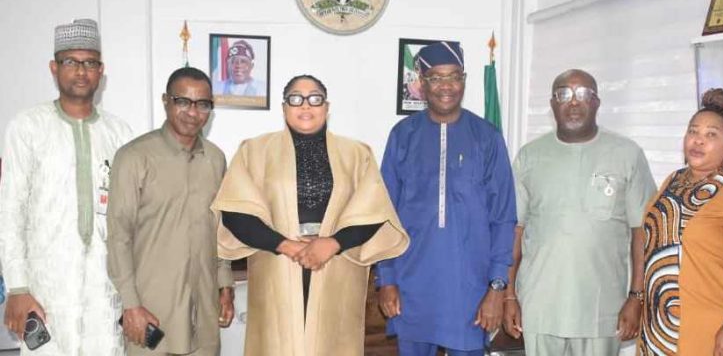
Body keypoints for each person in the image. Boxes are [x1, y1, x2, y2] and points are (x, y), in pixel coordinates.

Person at [211, 74, 409, 356]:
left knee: (333, 343)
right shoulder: (254, 151)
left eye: (314, 98)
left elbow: (373, 212)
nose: (306, 105)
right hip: (276, 263)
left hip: (337, 264)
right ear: (284, 107)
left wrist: (332, 243)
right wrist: (287, 245)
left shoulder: (356, 154)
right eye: (296, 98)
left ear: (326, 107)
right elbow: (235, 213)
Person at [0, 18, 133, 355]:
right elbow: (10, 209)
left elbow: (128, 216)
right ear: (54, 67)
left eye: (89, 62)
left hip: (104, 291)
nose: (80, 71)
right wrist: (17, 287)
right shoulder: (28, 126)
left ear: (101, 70)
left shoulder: (119, 133)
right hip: (44, 288)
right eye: (71, 62)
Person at [376, 41, 516, 356]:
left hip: (470, 290)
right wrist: (386, 279)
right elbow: (384, 215)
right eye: (436, 78)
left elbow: (504, 218)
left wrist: (496, 288)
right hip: (412, 287)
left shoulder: (487, 137)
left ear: (464, 80)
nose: (446, 86)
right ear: (422, 83)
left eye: (453, 76)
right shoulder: (403, 136)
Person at [505, 69, 656, 356]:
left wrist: (636, 297)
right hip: (540, 306)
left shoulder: (627, 154)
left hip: (602, 309)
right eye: (563, 94)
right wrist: (510, 295)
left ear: (597, 102)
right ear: (552, 104)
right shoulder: (530, 156)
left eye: (583, 94)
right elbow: (515, 230)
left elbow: (642, 232)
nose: (573, 102)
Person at [107, 67, 234, 355]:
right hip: (151, 309)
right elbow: (118, 236)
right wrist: (131, 304)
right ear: (166, 101)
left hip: (204, 305)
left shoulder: (215, 159)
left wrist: (225, 285)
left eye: (203, 104)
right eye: (182, 101)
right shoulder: (134, 157)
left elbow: (220, 229)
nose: (192, 112)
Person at [638, 88, 723, 355]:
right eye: (693, 131)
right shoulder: (674, 180)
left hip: (709, 328)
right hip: (659, 327)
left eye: (711, 135)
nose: (698, 141)